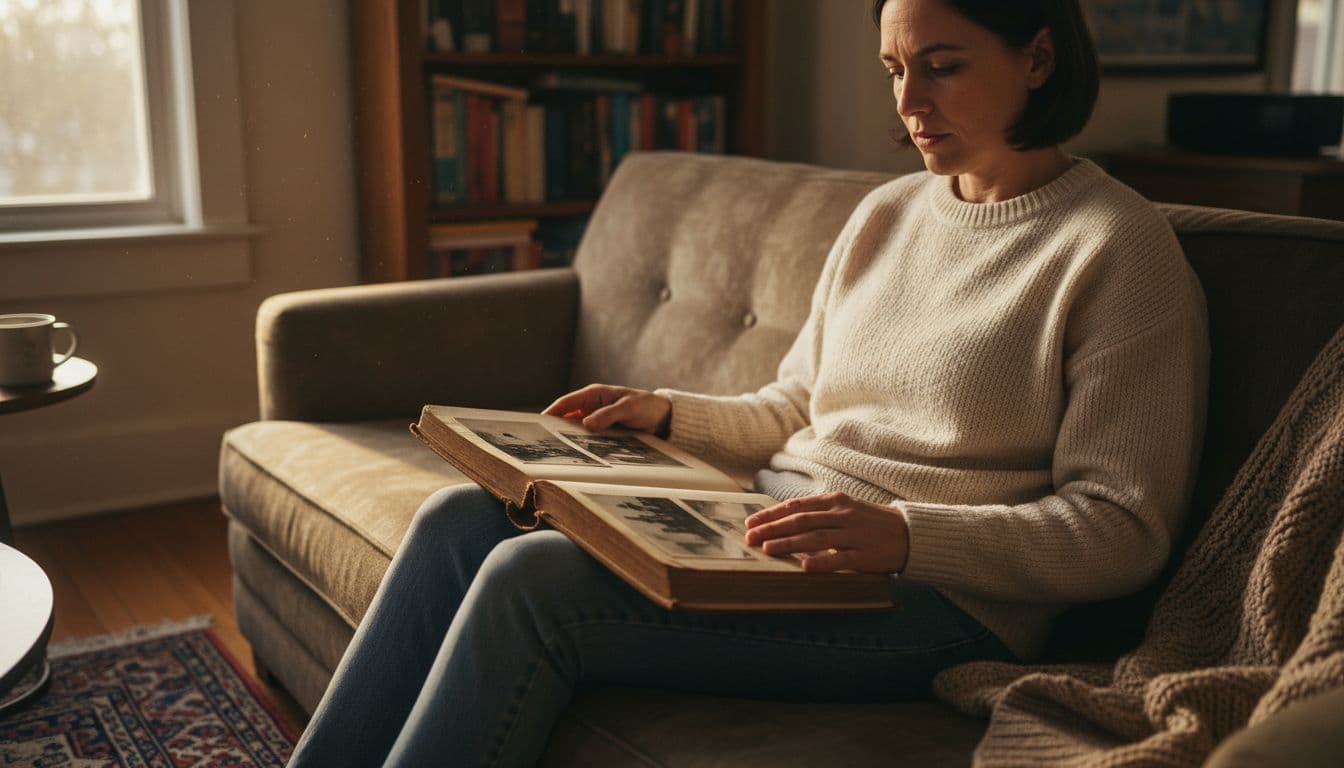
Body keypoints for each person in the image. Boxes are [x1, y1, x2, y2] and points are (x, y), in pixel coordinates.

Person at [288, 0, 1209, 764]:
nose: (909, 102)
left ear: (1039, 58)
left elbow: (1121, 529)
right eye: (894, 69)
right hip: (761, 538)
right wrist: (666, 412)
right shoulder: (887, 214)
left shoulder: (1117, 249)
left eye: (943, 66)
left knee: (536, 583)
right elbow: (796, 406)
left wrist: (901, 537)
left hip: (940, 604)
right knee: (458, 519)